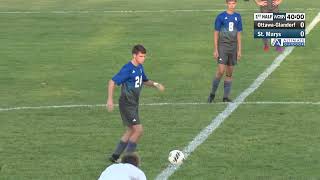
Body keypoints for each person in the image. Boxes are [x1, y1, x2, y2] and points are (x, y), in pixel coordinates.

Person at [107, 44, 165, 163]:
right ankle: (126, 160)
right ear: (134, 55)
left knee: (130, 130)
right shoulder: (127, 69)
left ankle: (115, 156)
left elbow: (144, 80)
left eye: (144, 56)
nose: (143, 58)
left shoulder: (139, 67)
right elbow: (112, 81)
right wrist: (110, 99)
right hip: (127, 103)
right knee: (138, 130)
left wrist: (155, 84)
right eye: (141, 56)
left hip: (133, 103)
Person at [208, 0, 242, 103]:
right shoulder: (221, 17)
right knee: (221, 71)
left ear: (236, 4)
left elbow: (239, 34)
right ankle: (212, 94)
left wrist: (239, 50)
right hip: (223, 45)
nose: (232, 5)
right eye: (230, 3)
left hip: (233, 47)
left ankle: (225, 97)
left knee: (229, 73)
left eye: (233, 3)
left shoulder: (238, 16)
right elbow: (216, 33)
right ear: (226, 4)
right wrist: (215, 49)